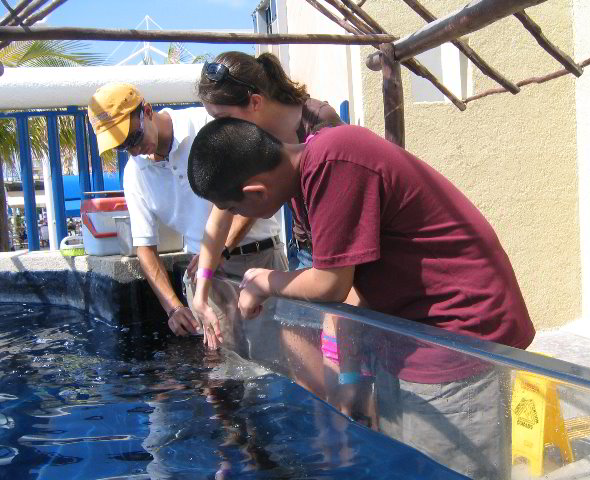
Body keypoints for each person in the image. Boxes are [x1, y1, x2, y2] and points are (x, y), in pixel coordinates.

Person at [187, 118, 536, 478]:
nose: (236, 217)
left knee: (446, 468)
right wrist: (349, 377)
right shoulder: (307, 180)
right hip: (406, 333)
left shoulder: (333, 162)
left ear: (257, 191)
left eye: (234, 208)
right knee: (407, 463)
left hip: (456, 332)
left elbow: (329, 285)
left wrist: (263, 281)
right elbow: (352, 287)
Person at [87, 83, 284, 339]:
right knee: (219, 369)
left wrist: (220, 251)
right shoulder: (134, 173)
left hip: (258, 256)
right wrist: (173, 307)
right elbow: (145, 248)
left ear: (146, 111)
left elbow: (256, 192)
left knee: (276, 365)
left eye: (134, 138)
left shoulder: (205, 124)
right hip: (204, 277)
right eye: (123, 147)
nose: (134, 151)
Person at [192, 51, 342, 350]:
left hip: (337, 253)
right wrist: (201, 289)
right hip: (307, 249)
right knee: (304, 350)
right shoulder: (247, 136)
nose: (220, 131)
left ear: (255, 102)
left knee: (336, 354)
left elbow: (336, 271)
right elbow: (221, 212)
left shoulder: (319, 126)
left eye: (222, 119)